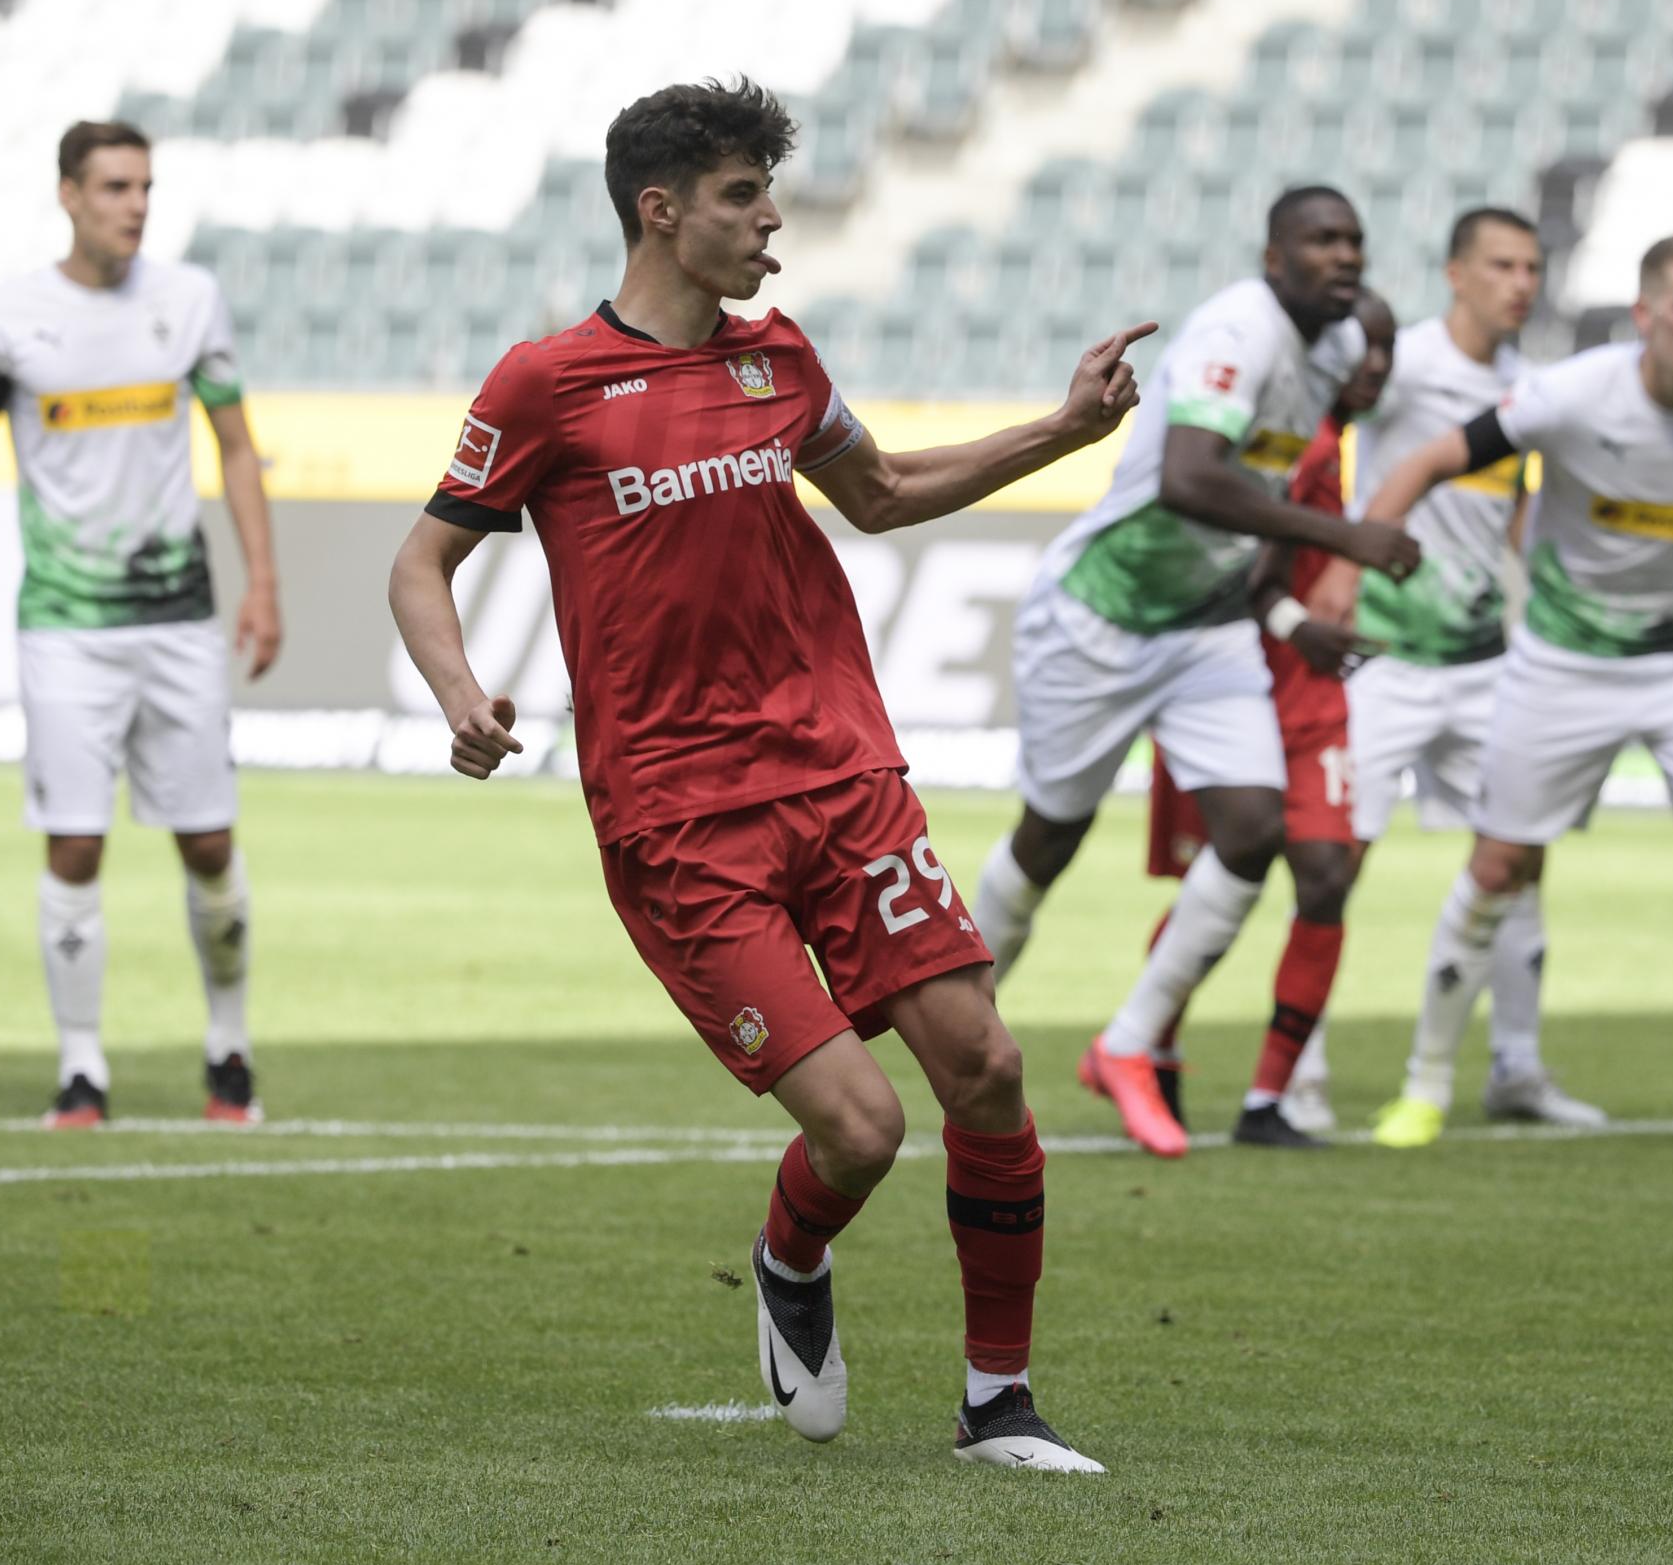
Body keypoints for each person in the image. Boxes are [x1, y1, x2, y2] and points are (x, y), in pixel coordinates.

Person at [390, 78, 1149, 1472]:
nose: (771, 222)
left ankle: (1000, 1406)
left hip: (842, 770)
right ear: (659, 212)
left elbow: (885, 493)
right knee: (859, 1128)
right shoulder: (546, 383)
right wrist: (459, 696)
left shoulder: (782, 361)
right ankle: (792, 1254)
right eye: (743, 197)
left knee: (982, 1065)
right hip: (681, 815)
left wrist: (1063, 430)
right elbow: (424, 558)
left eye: (767, 194)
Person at [1356, 232, 1673, 1152]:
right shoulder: (1572, 394)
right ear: (1645, 316)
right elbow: (1424, 461)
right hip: (1564, 660)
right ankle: (1423, 1089)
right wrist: (1351, 564)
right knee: (1499, 869)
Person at [968, 188, 1420, 1161]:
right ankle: (957, 1011)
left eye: (1354, 242)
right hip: (1099, 615)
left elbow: (1271, 488)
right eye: (1321, 240)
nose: (1343, 256)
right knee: (1052, 836)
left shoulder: (1335, 353)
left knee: (1255, 828)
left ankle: (1127, 1043)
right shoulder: (1235, 328)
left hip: (1205, 626)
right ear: (1273, 256)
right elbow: (1190, 477)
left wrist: (1283, 606)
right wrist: (1349, 539)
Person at [0, 121, 283, 1129]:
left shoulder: (190, 300)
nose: (135, 203)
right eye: (115, 186)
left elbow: (236, 446)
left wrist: (262, 582)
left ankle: (229, 1047)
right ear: (67, 194)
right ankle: (80, 1069)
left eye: (145, 185)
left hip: (179, 617)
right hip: (63, 624)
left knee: (209, 840)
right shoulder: (2, 317)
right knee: (74, 845)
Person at [1307, 208, 1604, 1139]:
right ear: (1456, 274)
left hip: (1483, 661)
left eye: (1532, 267)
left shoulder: (1532, 387)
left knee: (1520, 857)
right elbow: (1335, 439)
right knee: (1334, 861)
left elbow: (1510, 512)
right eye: (1503, 265)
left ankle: (1516, 1065)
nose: (1522, 282)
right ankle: (1299, 1068)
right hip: (1384, 656)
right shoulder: (1408, 364)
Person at [1135, 305, 1394, 1147]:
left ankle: (1267, 1100)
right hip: (1226, 687)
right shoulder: (1283, 440)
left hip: (1312, 703)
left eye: (1387, 347)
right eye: (1362, 343)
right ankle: (1151, 1056)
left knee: (1326, 875)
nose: (1375, 362)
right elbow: (1251, 579)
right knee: (1213, 884)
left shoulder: (1328, 441)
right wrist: (1296, 626)